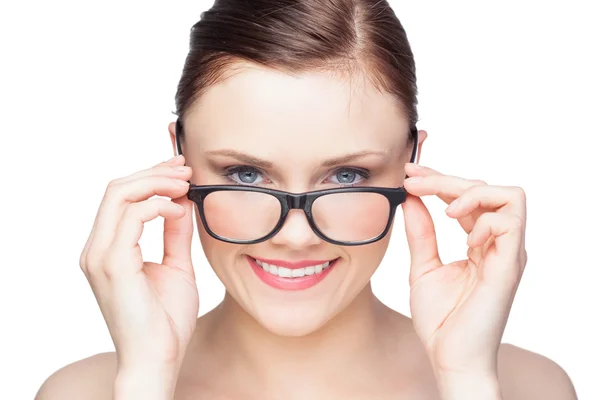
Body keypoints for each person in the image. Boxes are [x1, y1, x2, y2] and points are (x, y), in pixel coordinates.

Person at [36, 1, 577, 399]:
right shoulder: (80, 393)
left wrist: (465, 380)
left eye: (346, 176)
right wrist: (147, 380)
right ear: (178, 157)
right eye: (246, 174)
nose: (296, 236)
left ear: (413, 162)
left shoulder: (530, 388)